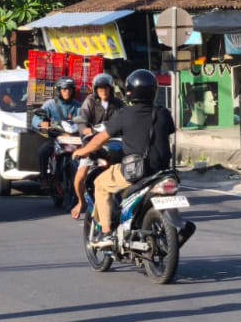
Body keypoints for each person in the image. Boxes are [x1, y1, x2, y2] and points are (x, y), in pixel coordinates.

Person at [73, 69, 174, 241]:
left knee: (100, 184)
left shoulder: (124, 113)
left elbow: (100, 139)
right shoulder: (163, 113)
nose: (104, 91)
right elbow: (168, 131)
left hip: (136, 170)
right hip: (162, 171)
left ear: (129, 92)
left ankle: (105, 232)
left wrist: (82, 150)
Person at [70, 73, 122, 220]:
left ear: (111, 89)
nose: (103, 91)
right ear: (95, 90)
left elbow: (127, 120)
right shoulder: (90, 102)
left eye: (106, 88)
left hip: (113, 145)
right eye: (100, 89)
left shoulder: (118, 104)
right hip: (91, 144)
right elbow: (82, 122)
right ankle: (81, 203)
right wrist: (87, 130)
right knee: (79, 178)